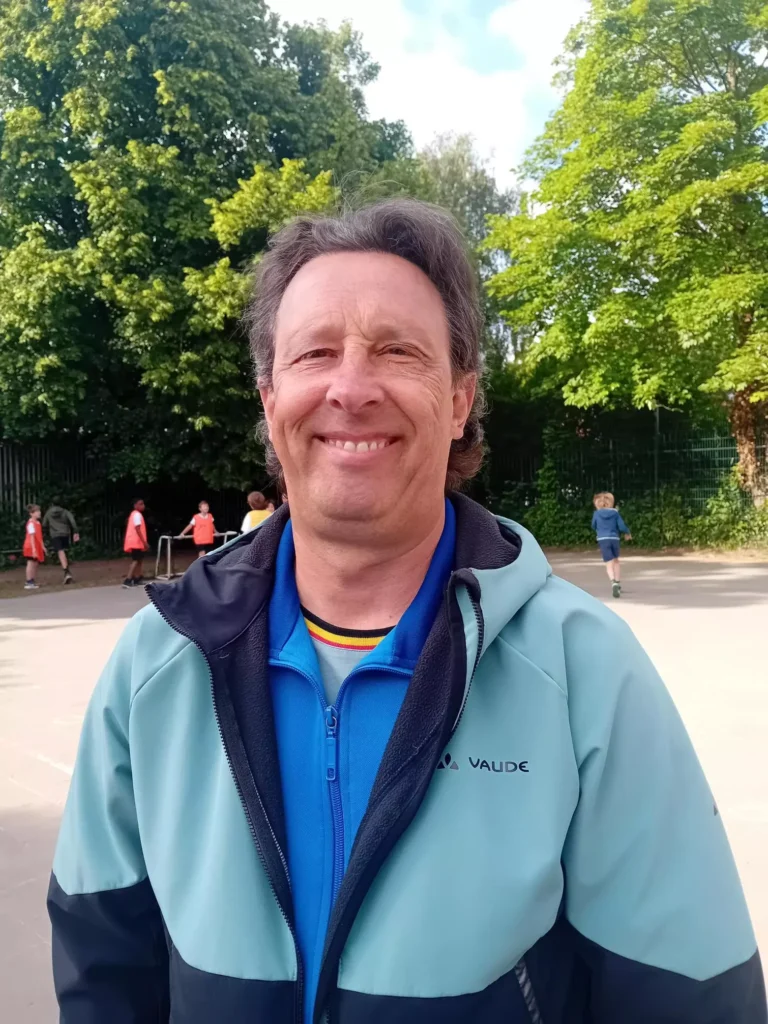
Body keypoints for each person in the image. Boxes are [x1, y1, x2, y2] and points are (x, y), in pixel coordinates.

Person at [48, 200, 765, 1024]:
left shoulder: (583, 667)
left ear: (459, 400)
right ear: (270, 397)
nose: (352, 388)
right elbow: (102, 968)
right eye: (316, 352)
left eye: (398, 350)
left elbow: (692, 998)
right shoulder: (157, 660)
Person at [591, 491, 632, 598]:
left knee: (609, 563)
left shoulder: (597, 514)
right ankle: (617, 582)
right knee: (616, 561)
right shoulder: (615, 513)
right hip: (614, 539)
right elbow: (621, 526)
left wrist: (599, 529)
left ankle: (613, 582)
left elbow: (593, 525)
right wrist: (627, 532)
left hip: (603, 539)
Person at [43, 500, 79, 584]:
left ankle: (66, 571)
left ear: (52, 504)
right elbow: (73, 522)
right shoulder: (65, 512)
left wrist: (47, 532)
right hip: (65, 533)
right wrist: (75, 531)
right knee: (65, 550)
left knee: (60, 551)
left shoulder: (48, 513)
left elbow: (44, 524)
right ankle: (67, 569)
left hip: (55, 535)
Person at [122, 498, 148, 589]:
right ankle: (128, 579)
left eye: (143, 504)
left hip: (136, 542)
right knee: (136, 560)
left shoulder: (134, 514)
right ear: (135, 505)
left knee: (139, 560)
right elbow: (137, 529)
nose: (143, 506)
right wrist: (144, 542)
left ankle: (138, 578)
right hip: (136, 542)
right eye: (140, 504)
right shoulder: (137, 515)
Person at [22, 503, 46, 590]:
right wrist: (34, 549)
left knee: (35, 563)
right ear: (31, 513)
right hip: (30, 546)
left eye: (39, 511)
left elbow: (39, 536)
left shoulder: (38, 523)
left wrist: (42, 546)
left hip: (36, 546)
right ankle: (29, 581)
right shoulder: (31, 524)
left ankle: (32, 580)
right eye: (37, 511)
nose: (39, 513)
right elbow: (31, 537)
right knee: (31, 563)